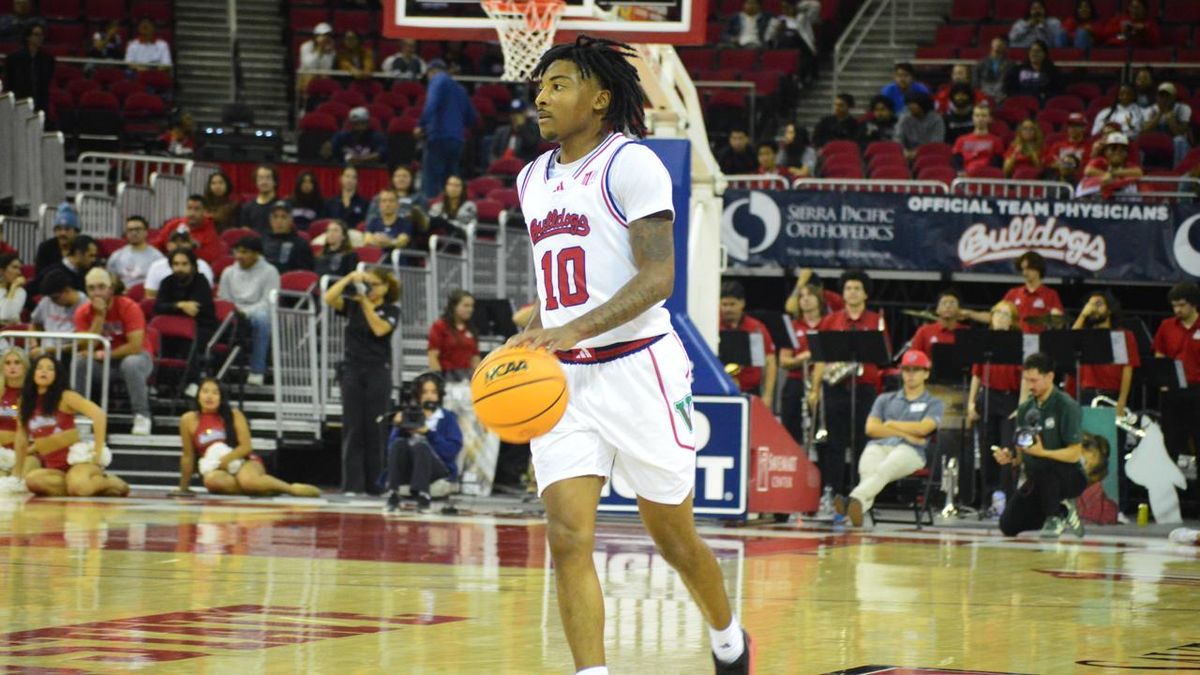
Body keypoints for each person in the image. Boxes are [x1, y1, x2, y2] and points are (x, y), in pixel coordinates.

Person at [511, 36, 751, 674]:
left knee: (673, 537)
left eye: (558, 84)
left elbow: (657, 279)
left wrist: (573, 328)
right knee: (566, 537)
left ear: (600, 97)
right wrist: (538, 324)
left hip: (640, 367)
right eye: (541, 84)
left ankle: (728, 637)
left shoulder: (631, 164)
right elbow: (558, 273)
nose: (541, 95)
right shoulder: (530, 176)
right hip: (564, 383)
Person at [835, 349, 943, 527]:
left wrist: (890, 424)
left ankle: (852, 501)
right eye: (907, 369)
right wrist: (906, 433)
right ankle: (858, 507)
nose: (910, 374)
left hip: (911, 451)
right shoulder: (885, 399)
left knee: (884, 468)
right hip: (880, 445)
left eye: (916, 370)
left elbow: (924, 428)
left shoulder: (934, 403)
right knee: (868, 470)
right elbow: (871, 428)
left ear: (926, 373)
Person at [808, 269, 890, 500]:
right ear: (842, 294)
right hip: (835, 388)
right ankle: (832, 492)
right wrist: (815, 390)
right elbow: (820, 358)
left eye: (857, 289)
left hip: (864, 389)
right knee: (834, 443)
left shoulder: (876, 320)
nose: (852, 293)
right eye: (848, 289)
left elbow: (884, 355)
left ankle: (861, 494)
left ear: (865, 294)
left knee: (863, 443)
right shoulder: (830, 320)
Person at [321, 268, 400, 496]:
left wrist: (365, 300)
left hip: (378, 370)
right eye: (369, 284)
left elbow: (379, 329)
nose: (371, 289)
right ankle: (352, 485)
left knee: (375, 427)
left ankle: (376, 484)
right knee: (352, 427)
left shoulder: (391, 310)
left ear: (386, 287)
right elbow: (329, 298)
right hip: (352, 369)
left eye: (375, 284)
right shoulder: (353, 306)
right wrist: (349, 278)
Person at [994, 352, 1087, 537]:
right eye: (1027, 380)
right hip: (1037, 478)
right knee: (1008, 525)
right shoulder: (1025, 409)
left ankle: (1055, 516)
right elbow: (1022, 452)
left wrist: (1043, 452)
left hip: (1069, 476)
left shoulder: (1066, 406)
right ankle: (1061, 512)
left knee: (1044, 465)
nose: (1030, 385)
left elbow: (1075, 454)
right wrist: (1010, 457)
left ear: (1050, 377)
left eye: (1034, 380)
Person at [178, 378, 321, 497]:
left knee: (248, 481)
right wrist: (183, 488)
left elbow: (246, 447)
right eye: (205, 391)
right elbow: (188, 456)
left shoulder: (234, 415)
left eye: (215, 393)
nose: (209, 396)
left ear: (222, 398)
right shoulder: (188, 420)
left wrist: (227, 460)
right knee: (212, 481)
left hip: (243, 461)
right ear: (198, 395)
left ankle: (291, 489)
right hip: (217, 468)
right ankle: (260, 490)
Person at [15, 355, 129, 497]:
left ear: (56, 375)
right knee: (32, 481)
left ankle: (112, 482)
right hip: (55, 468)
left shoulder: (66, 396)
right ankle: (85, 487)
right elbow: (21, 438)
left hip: (77, 462)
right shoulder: (24, 402)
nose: (44, 371)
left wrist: (98, 451)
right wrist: (16, 474)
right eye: (39, 368)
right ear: (33, 373)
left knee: (78, 488)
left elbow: (99, 415)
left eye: (50, 369)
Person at [73, 268, 155, 435]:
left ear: (110, 288)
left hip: (137, 359)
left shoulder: (129, 307)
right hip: (104, 365)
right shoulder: (83, 312)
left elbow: (135, 346)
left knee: (130, 363)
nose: (97, 293)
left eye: (101, 287)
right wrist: (99, 317)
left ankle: (142, 416)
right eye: (91, 288)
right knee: (80, 362)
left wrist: (102, 354)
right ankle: (81, 417)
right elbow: (83, 347)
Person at [966, 300, 1024, 511]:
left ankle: (1008, 499)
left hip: (1010, 399)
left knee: (1007, 449)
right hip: (988, 397)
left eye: (1005, 314)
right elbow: (976, 374)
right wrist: (971, 402)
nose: (1000, 317)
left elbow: (1026, 377)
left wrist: (1022, 405)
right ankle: (986, 500)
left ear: (1013, 320)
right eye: (997, 312)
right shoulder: (985, 341)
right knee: (986, 446)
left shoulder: (1019, 342)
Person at [383, 372, 463, 513]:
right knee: (399, 444)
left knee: (421, 446)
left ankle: (423, 496)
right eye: (425, 392)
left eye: (433, 392)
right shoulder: (408, 415)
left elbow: (450, 452)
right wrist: (398, 427)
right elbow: (391, 450)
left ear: (439, 395)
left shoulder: (447, 418)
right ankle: (392, 494)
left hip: (438, 468)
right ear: (418, 395)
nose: (429, 396)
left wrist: (428, 433)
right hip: (410, 467)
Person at [218, 237, 279, 387]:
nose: (239, 256)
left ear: (257, 254)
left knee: (262, 319)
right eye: (237, 252)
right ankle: (216, 368)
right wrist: (235, 311)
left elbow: (268, 302)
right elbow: (223, 298)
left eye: (244, 252)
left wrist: (246, 312)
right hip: (234, 311)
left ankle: (257, 370)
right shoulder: (228, 272)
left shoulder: (270, 272)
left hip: (259, 312)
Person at [1152, 282, 1200, 462]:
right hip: (1173, 391)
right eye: (1174, 305)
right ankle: (1174, 487)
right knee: (1172, 442)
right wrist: (1162, 380)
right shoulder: (1167, 326)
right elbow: (1159, 354)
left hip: (1197, 389)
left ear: (1193, 303)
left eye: (1181, 305)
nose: (1177, 309)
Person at [417, 60, 479, 201]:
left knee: (432, 182)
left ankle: (431, 212)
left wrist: (421, 125)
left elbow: (431, 103)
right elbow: (472, 117)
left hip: (438, 137)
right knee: (451, 181)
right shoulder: (460, 89)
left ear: (431, 71)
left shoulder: (438, 79)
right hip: (457, 140)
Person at [778, 283, 825, 445]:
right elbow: (783, 361)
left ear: (819, 299)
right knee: (790, 432)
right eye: (801, 296)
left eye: (809, 295)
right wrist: (803, 358)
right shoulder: (792, 326)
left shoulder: (828, 324)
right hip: (797, 381)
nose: (805, 299)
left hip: (822, 383)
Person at [719, 281, 777, 407]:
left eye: (732, 304)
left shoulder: (756, 328)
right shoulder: (712, 325)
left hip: (751, 393)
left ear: (742, 303)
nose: (728, 309)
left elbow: (770, 361)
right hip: (719, 391)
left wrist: (768, 395)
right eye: (724, 304)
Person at [154, 248, 218, 350]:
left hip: (200, 327)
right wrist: (180, 305)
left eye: (184, 264)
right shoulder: (167, 282)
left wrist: (171, 307)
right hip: (172, 327)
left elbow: (193, 310)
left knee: (185, 344)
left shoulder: (201, 281)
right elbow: (158, 308)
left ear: (192, 265)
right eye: (176, 264)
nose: (179, 268)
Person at [153, 195, 225, 264]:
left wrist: (191, 250)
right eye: (189, 208)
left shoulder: (210, 232)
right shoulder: (173, 224)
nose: (192, 213)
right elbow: (157, 245)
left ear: (205, 212)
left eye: (197, 209)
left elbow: (210, 259)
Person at [29, 270, 86, 357]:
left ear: (67, 290)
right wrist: (34, 345)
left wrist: (50, 350)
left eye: (55, 298)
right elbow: (33, 323)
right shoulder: (47, 301)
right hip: (45, 352)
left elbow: (81, 343)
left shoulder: (85, 304)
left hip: (69, 353)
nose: (52, 301)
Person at [144, 230, 214, 299]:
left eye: (183, 241)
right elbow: (150, 296)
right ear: (168, 246)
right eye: (175, 241)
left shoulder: (202, 265)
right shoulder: (157, 266)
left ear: (190, 245)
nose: (179, 244)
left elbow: (206, 295)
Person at [428, 289, 480, 378]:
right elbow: (433, 356)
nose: (470, 309)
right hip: (447, 375)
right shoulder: (439, 326)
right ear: (454, 306)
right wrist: (438, 379)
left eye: (472, 306)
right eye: (466, 306)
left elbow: (475, 358)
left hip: (467, 377)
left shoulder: (472, 329)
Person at [3, 23, 54, 113]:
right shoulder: (13, 58)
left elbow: (47, 81)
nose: (40, 38)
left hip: (40, 102)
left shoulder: (48, 59)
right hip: (19, 102)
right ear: (28, 37)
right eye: (36, 35)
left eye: (42, 35)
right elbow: (9, 82)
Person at [768, 0, 821, 85]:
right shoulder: (779, 20)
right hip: (785, 48)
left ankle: (799, 77)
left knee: (805, 55)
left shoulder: (803, 18)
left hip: (803, 48)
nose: (786, 10)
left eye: (788, 7)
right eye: (784, 7)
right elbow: (769, 38)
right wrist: (776, 30)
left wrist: (798, 6)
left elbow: (815, 5)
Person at [1142, 82, 1192, 168]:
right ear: (1156, 97)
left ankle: (1179, 171)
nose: (1164, 99)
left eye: (1167, 96)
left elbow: (1179, 133)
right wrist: (1160, 113)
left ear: (1174, 97)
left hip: (1175, 142)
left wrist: (1171, 119)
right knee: (1140, 140)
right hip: (1156, 140)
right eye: (1161, 96)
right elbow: (1145, 132)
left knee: (1179, 140)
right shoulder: (1150, 110)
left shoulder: (1183, 109)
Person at [1078, 132, 1143, 199]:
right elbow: (1088, 171)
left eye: (1122, 150)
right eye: (1113, 149)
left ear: (1126, 153)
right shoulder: (1100, 161)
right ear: (1105, 151)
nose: (1117, 152)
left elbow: (1138, 172)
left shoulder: (1128, 164)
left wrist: (1112, 174)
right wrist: (1105, 175)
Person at [0, 349, 34, 477]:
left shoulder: (33, 394)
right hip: (2, 452)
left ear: (25, 366)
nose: (12, 366)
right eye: (7, 363)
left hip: (27, 452)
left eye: (17, 362)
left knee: (20, 478)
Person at [107, 216, 164, 289]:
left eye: (138, 229)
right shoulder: (116, 256)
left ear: (146, 232)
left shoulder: (157, 257)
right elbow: (111, 281)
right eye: (130, 230)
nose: (134, 233)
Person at [910, 289, 966, 360]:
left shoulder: (967, 332)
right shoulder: (924, 331)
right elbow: (913, 357)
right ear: (937, 310)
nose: (948, 306)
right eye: (943, 303)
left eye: (952, 303)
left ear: (960, 310)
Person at [263, 202, 315, 273]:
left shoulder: (300, 244)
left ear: (291, 220)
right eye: (275, 217)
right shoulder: (262, 241)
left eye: (283, 217)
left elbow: (305, 274)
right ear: (270, 220)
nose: (279, 221)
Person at [1004, 39, 1059, 104]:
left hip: (1043, 105)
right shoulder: (1017, 70)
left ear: (1044, 54)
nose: (1034, 54)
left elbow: (1056, 91)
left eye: (1038, 51)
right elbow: (1009, 89)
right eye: (1032, 51)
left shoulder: (1052, 71)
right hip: (1021, 104)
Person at [489, 99, 542, 165]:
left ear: (525, 113)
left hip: (522, 168)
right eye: (513, 113)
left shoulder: (534, 129)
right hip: (502, 166)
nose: (515, 116)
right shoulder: (501, 131)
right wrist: (496, 164)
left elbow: (532, 146)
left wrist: (522, 127)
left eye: (519, 113)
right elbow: (493, 153)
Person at [1043, 112, 1090, 183]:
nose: (1073, 128)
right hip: (1058, 181)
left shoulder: (1088, 147)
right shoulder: (1058, 146)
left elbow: (1086, 166)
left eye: (1077, 125)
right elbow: (1049, 163)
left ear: (1084, 128)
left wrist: (1062, 165)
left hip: (1079, 181)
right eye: (1070, 125)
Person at [894, 92, 944, 157]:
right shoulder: (904, 118)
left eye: (913, 104)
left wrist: (917, 153)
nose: (909, 107)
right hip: (907, 154)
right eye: (908, 104)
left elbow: (937, 142)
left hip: (930, 154)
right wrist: (904, 152)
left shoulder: (936, 119)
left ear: (922, 104)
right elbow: (898, 138)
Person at [238, 165, 280, 234]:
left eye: (268, 178)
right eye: (260, 178)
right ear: (256, 182)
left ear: (275, 181)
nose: (264, 182)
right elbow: (245, 231)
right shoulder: (247, 207)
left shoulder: (282, 205)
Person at [973, 36, 1015, 102]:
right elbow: (975, 83)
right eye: (996, 41)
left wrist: (1006, 95)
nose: (998, 43)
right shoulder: (980, 64)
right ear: (992, 44)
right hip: (983, 96)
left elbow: (1012, 84)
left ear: (1006, 47)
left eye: (1001, 42)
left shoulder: (1011, 65)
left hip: (1002, 97)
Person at [0, 253, 27, 325]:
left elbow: (6, 316)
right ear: (2, 270)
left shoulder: (20, 292)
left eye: (19, 269)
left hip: (8, 334)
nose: (19, 272)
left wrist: (13, 288)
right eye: (14, 267)